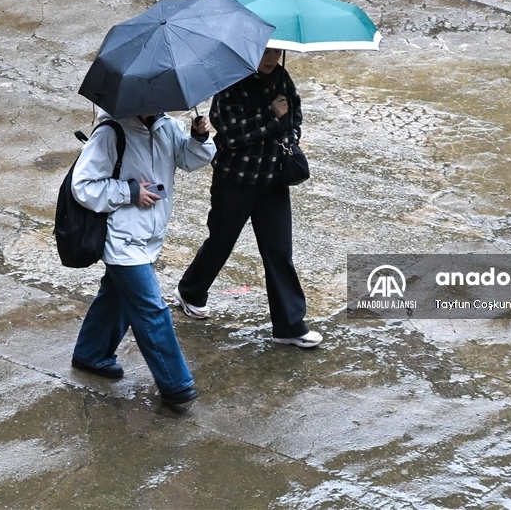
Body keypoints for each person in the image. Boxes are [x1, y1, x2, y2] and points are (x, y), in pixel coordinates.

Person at [173, 47, 323, 348]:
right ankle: (190, 292)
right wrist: (270, 117)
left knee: (279, 253)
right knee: (221, 241)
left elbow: (294, 118)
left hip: (272, 181)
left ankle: (289, 326)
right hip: (235, 181)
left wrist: (288, 135)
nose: (271, 59)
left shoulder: (281, 78)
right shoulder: (230, 83)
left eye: (277, 52)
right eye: (266, 53)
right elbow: (231, 135)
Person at [70, 109, 215, 412]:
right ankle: (176, 386)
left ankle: (91, 353)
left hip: (150, 236)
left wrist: (200, 138)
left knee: (118, 296)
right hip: (121, 238)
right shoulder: (111, 132)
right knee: (151, 308)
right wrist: (129, 191)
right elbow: (83, 185)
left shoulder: (169, 127)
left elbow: (189, 160)